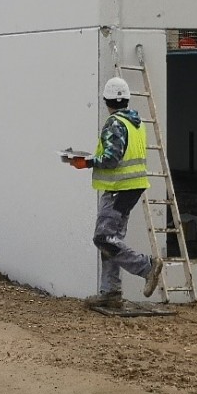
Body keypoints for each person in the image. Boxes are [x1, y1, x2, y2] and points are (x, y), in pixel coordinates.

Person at [66, 76, 163, 309]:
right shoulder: (135, 123)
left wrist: (86, 162)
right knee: (112, 239)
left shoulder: (115, 123)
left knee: (103, 238)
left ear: (106, 101)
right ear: (127, 99)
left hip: (118, 188)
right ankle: (110, 291)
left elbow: (111, 158)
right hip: (130, 187)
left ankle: (146, 266)